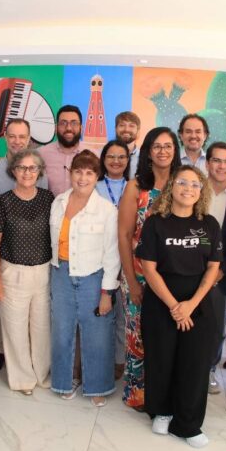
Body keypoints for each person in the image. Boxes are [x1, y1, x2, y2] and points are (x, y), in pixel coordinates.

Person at [138, 166, 223, 448]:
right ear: (172, 187)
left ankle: (187, 424)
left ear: (202, 191)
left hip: (198, 303)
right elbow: (148, 268)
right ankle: (161, 411)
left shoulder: (209, 224)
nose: (188, 189)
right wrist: (175, 306)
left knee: (194, 364)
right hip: (161, 301)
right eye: (183, 182)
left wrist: (190, 305)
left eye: (195, 184)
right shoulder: (155, 223)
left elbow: (213, 268)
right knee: (161, 359)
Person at [50, 150, 121, 406]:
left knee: (97, 333)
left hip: (93, 277)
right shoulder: (58, 202)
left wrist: (106, 293)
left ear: (97, 176)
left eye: (89, 173)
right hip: (61, 273)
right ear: (70, 174)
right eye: (78, 172)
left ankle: (97, 386)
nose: (83, 178)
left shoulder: (107, 210)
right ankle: (64, 380)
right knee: (62, 331)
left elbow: (112, 255)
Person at [117, 127, 180, 410]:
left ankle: (165, 394)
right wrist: (132, 282)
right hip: (139, 276)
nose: (162, 151)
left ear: (175, 151)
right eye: (157, 146)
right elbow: (124, 235)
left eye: (168, 146)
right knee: (138, 336)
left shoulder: (182, 184)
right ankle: (138, 395)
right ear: (148, 152)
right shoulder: (136, 187)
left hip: (173, 278)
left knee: (168, 337)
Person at [0, 149, 55, 395]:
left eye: (32, 168)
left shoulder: (48, 198)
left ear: (39, 172)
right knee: (15, 330)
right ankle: (23, 379)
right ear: (13, 171)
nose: (27, 172)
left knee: (41, 328)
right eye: (22, 168)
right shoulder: (3, 202)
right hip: (12, 274)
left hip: (43, 273)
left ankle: (42, 373)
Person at [204, 141, 226, 394]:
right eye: (216, 160)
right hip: (189, 271)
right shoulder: (194, 190)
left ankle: (209, 370)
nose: (221, 166)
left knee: (215, 327)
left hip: (221, 275)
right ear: (207, 163)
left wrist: (222, 269)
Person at [96, 139, 130, 380]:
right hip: (99, 259)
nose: (116, 161)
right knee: (100, 313)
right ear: (103, 159)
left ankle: (119, 360)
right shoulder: (94, 186)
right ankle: (98, 359)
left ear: (128, 161)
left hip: (128, 259)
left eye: (121, 157)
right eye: (111, 156)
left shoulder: (135, 187)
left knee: (123, 316)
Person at [40, 105, 86, 195]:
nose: (68, 128)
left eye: (74, 123)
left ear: (81, 128)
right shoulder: (41, 154)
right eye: (63, 123)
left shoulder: (93, 155)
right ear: (56, 128)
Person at [115, 111, 141, 180]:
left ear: (138, 131)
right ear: (115, 129)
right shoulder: (102, 155)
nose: (126, 129)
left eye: (131, 126)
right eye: (122, 125)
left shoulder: (145, 159)